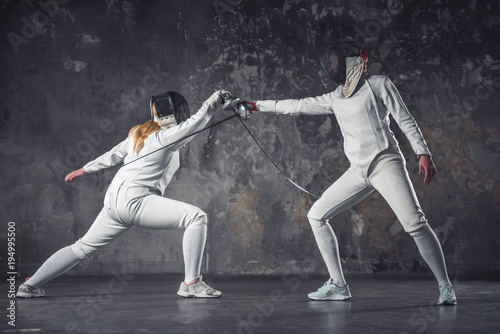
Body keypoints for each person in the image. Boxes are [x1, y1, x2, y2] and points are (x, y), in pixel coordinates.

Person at [245, 37, 457, 305]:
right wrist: (256, 105)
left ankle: (446, 287)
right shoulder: (334, 98)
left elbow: (404, 119)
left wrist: (422, 152)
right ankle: (338, 285)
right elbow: (296, 105)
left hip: (385, 163)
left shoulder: (379, 84)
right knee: (316, 215)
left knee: (415, 224)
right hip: (357, 171)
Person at [17, 90, 231, 299]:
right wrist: (214, 101)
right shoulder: (165, 136)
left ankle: (29, 285)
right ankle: (191, 284)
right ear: (177, 112)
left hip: (113, 201)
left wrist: (85, 168)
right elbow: (195, 123)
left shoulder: (138, 134)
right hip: (135, 200)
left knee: (82, 247)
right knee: (196, 217)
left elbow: (114, 154)